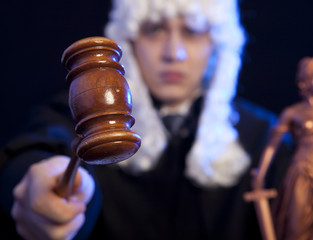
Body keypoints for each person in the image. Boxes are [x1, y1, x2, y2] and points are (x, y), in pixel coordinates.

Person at [0, 0, 293, 239]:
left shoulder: (267, 138)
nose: (173, 53)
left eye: (192, 31)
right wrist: (40, 184)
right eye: (154, 30)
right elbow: (35, 150)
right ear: (129, 41)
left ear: (217, 44)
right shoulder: (82, 115)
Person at [252, 57, 313, 240]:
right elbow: (272, 146)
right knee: (297, 227)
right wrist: (260, 174)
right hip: (302, 173)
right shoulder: (293, 112)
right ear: (304, 80)